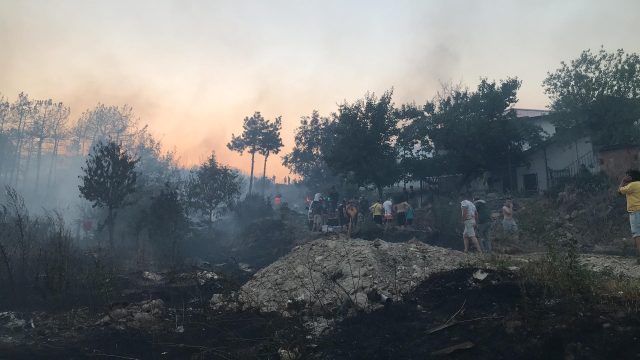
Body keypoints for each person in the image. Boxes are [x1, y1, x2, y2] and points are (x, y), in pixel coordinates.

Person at [619, 169, 640, 262]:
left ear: (630, 177)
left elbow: (619, 191)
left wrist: (623, 181)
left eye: (626, 175)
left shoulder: (632, 185)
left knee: (637, 234)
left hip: (635, 212)